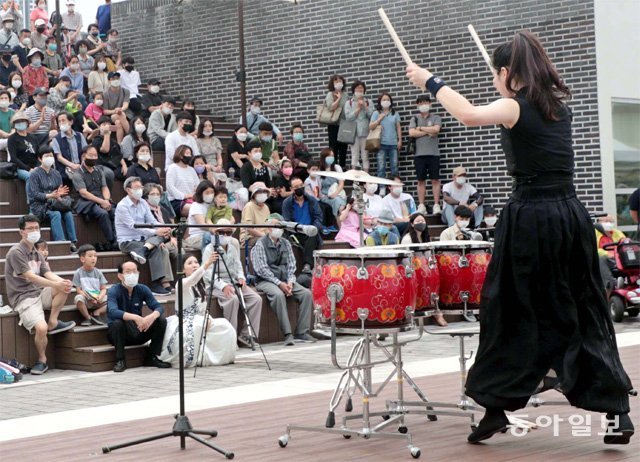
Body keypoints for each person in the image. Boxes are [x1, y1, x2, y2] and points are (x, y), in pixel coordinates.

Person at [407, 31, 634, 444]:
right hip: (569, 215)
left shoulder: (513, 105)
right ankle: (616, 411)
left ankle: (496, 404)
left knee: (508, 309)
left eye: (497, 74)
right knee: (582, 309)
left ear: (507, 72)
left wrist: (429, 80)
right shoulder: (556, 109)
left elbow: (470, 116)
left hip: (531, 218)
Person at [4, 215, 75, 375]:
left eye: (36, 228)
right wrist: (56, 284)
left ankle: (53, 321)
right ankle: (42, 360)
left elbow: (47, 273)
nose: (34, 231)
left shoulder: (37, 252)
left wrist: (63, 282)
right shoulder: (16, 252)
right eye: (30, 228)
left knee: (64, 287)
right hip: (23, 298)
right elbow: (31, 277)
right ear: (21, 232)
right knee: (41, 328)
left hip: (38, 293)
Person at [159, 253, 236, 367]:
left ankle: (221, 357)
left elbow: (203, 308)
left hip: (200, 319)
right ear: (182, 269)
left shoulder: (200, 286)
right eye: (190, 263)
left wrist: (207, 318)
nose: (194, 265)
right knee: (197, 327)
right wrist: (206, 264)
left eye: (196, 262)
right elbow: (192, 280)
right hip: (184, 321)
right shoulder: (181, 283)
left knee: (225, 326)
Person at [251, 213, 315, 345]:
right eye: (276, 226)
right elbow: (261, 269)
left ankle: (302, 332)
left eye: (281, 226)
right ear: (269, 228)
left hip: (285, 280)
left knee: (306, 294)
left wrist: (290, 282)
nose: (279, 229)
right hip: (265, 280)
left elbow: (292, 265)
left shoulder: (286, 243)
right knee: (278, 295)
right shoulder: (260, 244)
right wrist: (280, 284)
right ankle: (287, 334)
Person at [202, 221, 263, 347]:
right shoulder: (209, 249)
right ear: (216, 233)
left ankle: (247, 335)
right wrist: (223, 285)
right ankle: (230, 338)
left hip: (233, 281)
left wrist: (241, 277)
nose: (225, 235)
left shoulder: (232, 247)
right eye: (222, 232)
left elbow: (238, 265)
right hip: (215, 284)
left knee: (256, 299)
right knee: (233, 300)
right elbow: (207, 272)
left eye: (228, 232)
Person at [106, 260, 171, 373]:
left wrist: (150, 317)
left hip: (138, 330)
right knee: (117, 323)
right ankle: (120, 360)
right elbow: (112, 311)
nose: (132, 274)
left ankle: (151, 357)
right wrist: (136, 317)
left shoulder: (142, 289)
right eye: (128, 272)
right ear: (120, 276)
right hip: (120, 334)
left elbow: (158, 307)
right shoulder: (113, 290)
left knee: (160, 320)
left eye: (134, 271)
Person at [114, 176, 174, 296]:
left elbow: (152, 221)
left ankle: (144, 249)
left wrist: (163, 228)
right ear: (128, 190)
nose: (140, 190)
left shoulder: (143, 203)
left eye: (140, 187)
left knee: (162, 237)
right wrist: (155, 232)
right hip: (127, 241)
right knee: (156, 246)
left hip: (144, 241)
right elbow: (133, 226)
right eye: (136, 188)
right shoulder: (122, 206)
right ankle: (156, 284)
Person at [28, 146, 78, 252]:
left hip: (55, 203)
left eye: (51, 155)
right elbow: (34, 194)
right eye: (46, 156)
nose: (50, 158)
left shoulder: (56, 173)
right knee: (56, 214)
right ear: (40, 159)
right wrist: (50, 195)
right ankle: (61, 242)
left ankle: (73, 242)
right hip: (39, 206)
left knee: (68, 213)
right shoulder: (34, 174)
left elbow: (60, 191)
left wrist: (59, 197)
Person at [71, 145, 117, 251]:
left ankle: (117, 240)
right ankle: (111, 241)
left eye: (95, 155)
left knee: (115, 212)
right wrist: (101, 202)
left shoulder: (99, 171)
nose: (93, 158)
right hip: (85, 202)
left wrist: (106, 200)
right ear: (83, 156)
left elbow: (104, 187)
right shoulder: (77, 174)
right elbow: (84, 193)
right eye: (91, 155)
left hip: (101, 199)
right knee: (103, 213)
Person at [409, 95, 442, 214]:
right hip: (419, 154)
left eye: (426, 102)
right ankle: (421, 205)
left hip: (433, 154)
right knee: (421, 180)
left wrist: (421, 128)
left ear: (430, 104)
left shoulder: (436, 117)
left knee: (435, 180)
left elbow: (436, 130)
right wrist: (428, 131)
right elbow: (412, 132)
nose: (424, 105)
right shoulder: (414, 118)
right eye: (421, 103)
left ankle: (436, 205)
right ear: (417, 105)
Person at [282, 176, 323, 272]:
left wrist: (314, 228)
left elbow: (318, 217)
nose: (300, 188)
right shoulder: (287, 203)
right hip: (296, 232)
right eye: (296, 187)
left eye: (301, 185)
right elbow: (286, 221)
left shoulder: (312, 200)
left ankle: (307, 265)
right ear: (292, 189)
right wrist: (297, 229)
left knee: (313, 235)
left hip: (310, 231)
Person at [370, 92, 402, 184]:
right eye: (384, 100)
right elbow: (371, 127)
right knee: (381, 167)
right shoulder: (376, 113)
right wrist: (379, 119)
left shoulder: (395, 113)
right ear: (380, 102)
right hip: (381, 144)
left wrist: (400, 140)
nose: (386, 101)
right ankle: (382, 188)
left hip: (393, 144)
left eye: (388, 99)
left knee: (394, 167)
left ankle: (395, 186)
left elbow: (398, 127)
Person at [72, 244, 108, 326]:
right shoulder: (78, 272)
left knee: (112, 300)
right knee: (78, 299)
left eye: (95, 256)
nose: (93, 258)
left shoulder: (98, 272)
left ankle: (96, 313)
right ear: (82, 259)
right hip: (86, 297)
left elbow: (103, 288)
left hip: (97, 297)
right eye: (90, 256)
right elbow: (78, 290)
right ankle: (87, 317)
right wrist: (88, 297)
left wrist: (100, 297)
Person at [344, 80, 374, 171]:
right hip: (353, 132)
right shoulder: (348, 103)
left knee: (365, 156)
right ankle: (355, 180)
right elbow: (348, 117)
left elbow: (372, 116)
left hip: (365, 132)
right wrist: (358, 109)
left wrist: (365, 106)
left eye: (361, 89)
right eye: (357, 89)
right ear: (353, 90)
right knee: (354, 156)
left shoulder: (369, 101)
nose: (359, 91)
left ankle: (366, 179)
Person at [7, 111, 38, 196]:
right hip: (20, 168)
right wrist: (28, 169)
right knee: (29, 176)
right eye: (17, 122)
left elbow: (38, 154)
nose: (20, 123)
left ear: (27, 122)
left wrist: (37, 167)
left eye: (22, 121)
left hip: (34, 166)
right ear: (14, 124)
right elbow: (13, 157)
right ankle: (31, 204)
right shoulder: (12, 138)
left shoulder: (33, 138)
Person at [51, 111, 87, 183]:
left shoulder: (79, 135)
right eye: (59, 121)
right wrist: (72, 165)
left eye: (63, 120)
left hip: (81, 166)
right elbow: (59, 157)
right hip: (65, 168)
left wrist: (82, 164)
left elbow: (85, 152)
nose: (61, 123)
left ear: (70, 122)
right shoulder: (56, 139)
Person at [166, 144, 199, 217]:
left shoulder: (191, 170)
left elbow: (197, 185)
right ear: (180, 155)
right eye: (187, 153)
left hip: (192, 200)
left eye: (190, 154)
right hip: (176, 201)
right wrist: (184, 196)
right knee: (195, 209)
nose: (189, 156)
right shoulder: (172, 168)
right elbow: (170, 187)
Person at [595, 215, 626, 293]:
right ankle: (611, 284)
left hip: (618, 259)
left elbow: (625, 244)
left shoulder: (617, 232)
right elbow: (592, 249)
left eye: (611, 221)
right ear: (599, 223)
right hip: (604, 259)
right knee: (601, 259)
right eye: (606, 221)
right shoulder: (594, 233)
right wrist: (607, 253)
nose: (609, 223)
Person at [92, 115, 125, 185]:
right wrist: (106, 134)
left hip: (114, 164)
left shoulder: (113, 141)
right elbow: (105, 150)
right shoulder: (97, 139)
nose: (106, 126)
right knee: (109, 174)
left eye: (108, 125)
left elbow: (119, 155)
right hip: (102, 165)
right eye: (104, 124)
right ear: (100, 127)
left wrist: (124, 165)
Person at [183, 180, 215, 251]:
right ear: (201, 193)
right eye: (207, 192)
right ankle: (206, 261)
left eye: (212, 192)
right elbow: (202, 225)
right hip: (196, 237)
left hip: (212, 235)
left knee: (233, 242)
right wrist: (215, 229)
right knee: (211, 239)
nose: (210, 194)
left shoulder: (214, 206)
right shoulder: (196, 205)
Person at [324, 74, 348, 168]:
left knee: (343, 149)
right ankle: (334, 168)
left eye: (340, 81)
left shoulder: (345, 95)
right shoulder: (330, 94)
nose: (338, 83)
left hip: (344, 125)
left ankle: (342, 168)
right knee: (334, 148)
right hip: (333, 125)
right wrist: (338, 98)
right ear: (332, 83)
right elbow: (330, 107)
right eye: (336, 81)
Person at [319, 147, 346, 224]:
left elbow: (341, 183)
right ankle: (340, 227)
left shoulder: (337, 167)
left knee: (340, 206)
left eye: (332, 156)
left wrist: (335, 194)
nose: (331, 158)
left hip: (337, 193)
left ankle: (341, 227)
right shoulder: (319, 169)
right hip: (325, 195)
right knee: (339, 205)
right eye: (329, 156)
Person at [240, 182, 271, 246]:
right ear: (254, 194)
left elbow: (268, 225)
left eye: (264, 192)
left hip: (264, 236)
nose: (262, 194)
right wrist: (264, 236)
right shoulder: (249, 206)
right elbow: (249, 228)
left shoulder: (266, 207)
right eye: (259, 192)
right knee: (265, 241)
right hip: (249, 238)